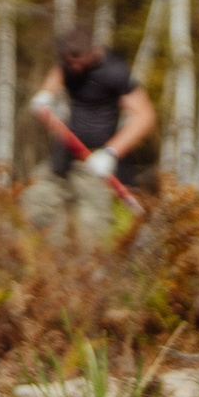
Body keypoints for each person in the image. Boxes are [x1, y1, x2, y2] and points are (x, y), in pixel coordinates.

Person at [23, 29, 156, 247]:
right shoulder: (68, 64)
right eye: (69, 62)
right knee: (35, 202)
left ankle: (96, 272)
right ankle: (53, 264)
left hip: (97, 159)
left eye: (79, 62)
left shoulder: (115, 71)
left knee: (91, 225)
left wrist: (111, 153)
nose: (73, 67)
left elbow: (145, 116)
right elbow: (59, 74)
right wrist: (45, 95)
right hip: (67, 151)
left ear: (92, 54)